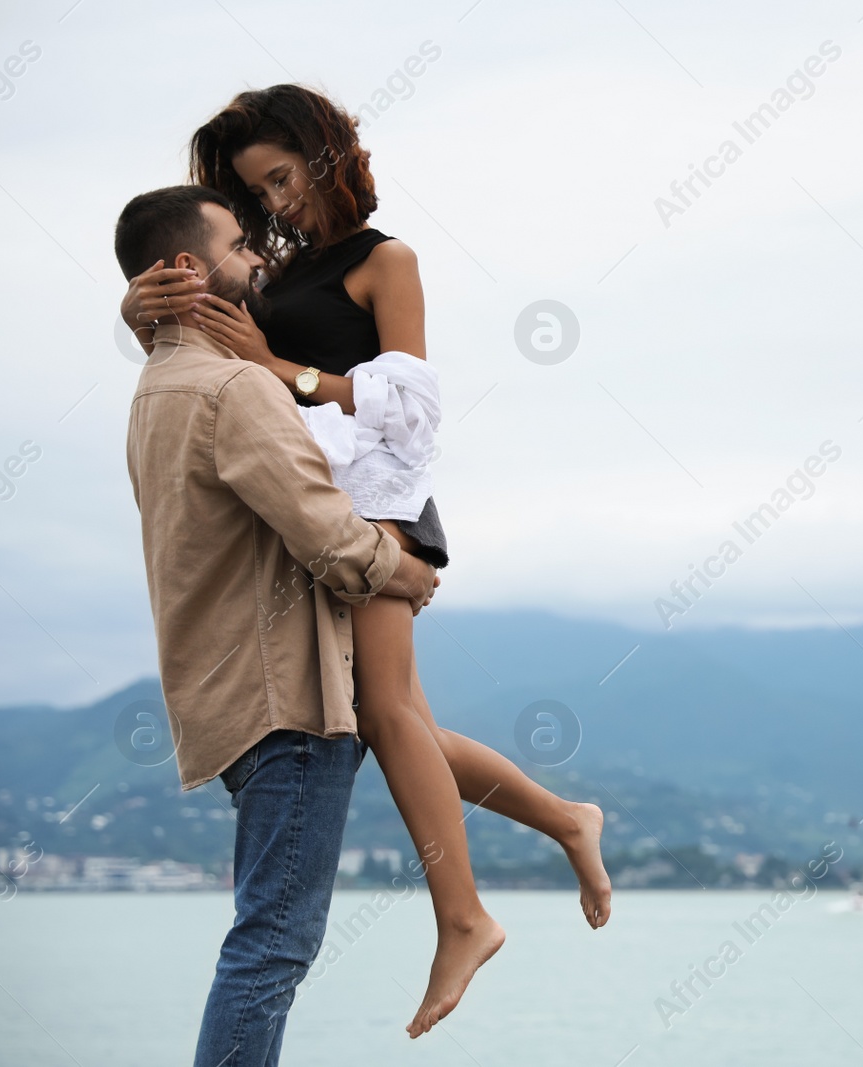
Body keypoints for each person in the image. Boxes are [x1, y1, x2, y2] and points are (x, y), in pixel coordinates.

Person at [119, 84, 612, 1041]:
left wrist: (282, 367)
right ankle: (566, 820)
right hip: (327, 511)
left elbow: (412, 412)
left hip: (381, 506)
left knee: (385, 714)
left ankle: (463, 918)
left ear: (327, 154)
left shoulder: (389, 260)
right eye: (257, 194)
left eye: (282, 177)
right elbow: (192, 325)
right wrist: (137, 301)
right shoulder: (264, 270)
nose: (276, 204)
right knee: (410, 723)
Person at [117, 184, 439, 1066]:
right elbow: (331, 538)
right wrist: (408, 571)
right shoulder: (232, 388)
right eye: (238, 240)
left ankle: (563, 825)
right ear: (191, 267)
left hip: (221, 695)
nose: (259, 254)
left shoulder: (155, 388)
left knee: (265, 939)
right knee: (274, 946)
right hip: (286, 698)